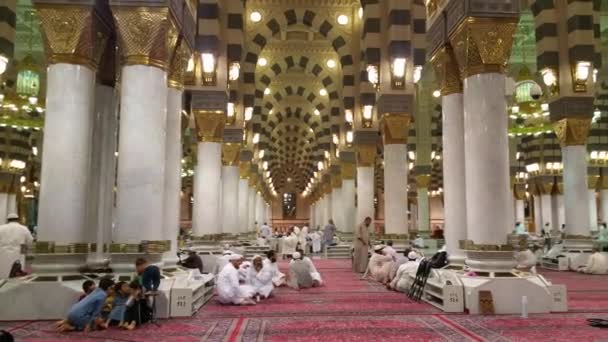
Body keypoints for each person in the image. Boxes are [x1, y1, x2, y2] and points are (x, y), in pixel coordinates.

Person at [0, 213, 33, 279]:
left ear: (8, 220)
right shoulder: (23, 228)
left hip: (3, 252)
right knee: (17, 272)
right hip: (18, 252)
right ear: (17, 220)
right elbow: (30, 241)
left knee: (3, 271)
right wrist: (24, 251)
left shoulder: (1, 228)